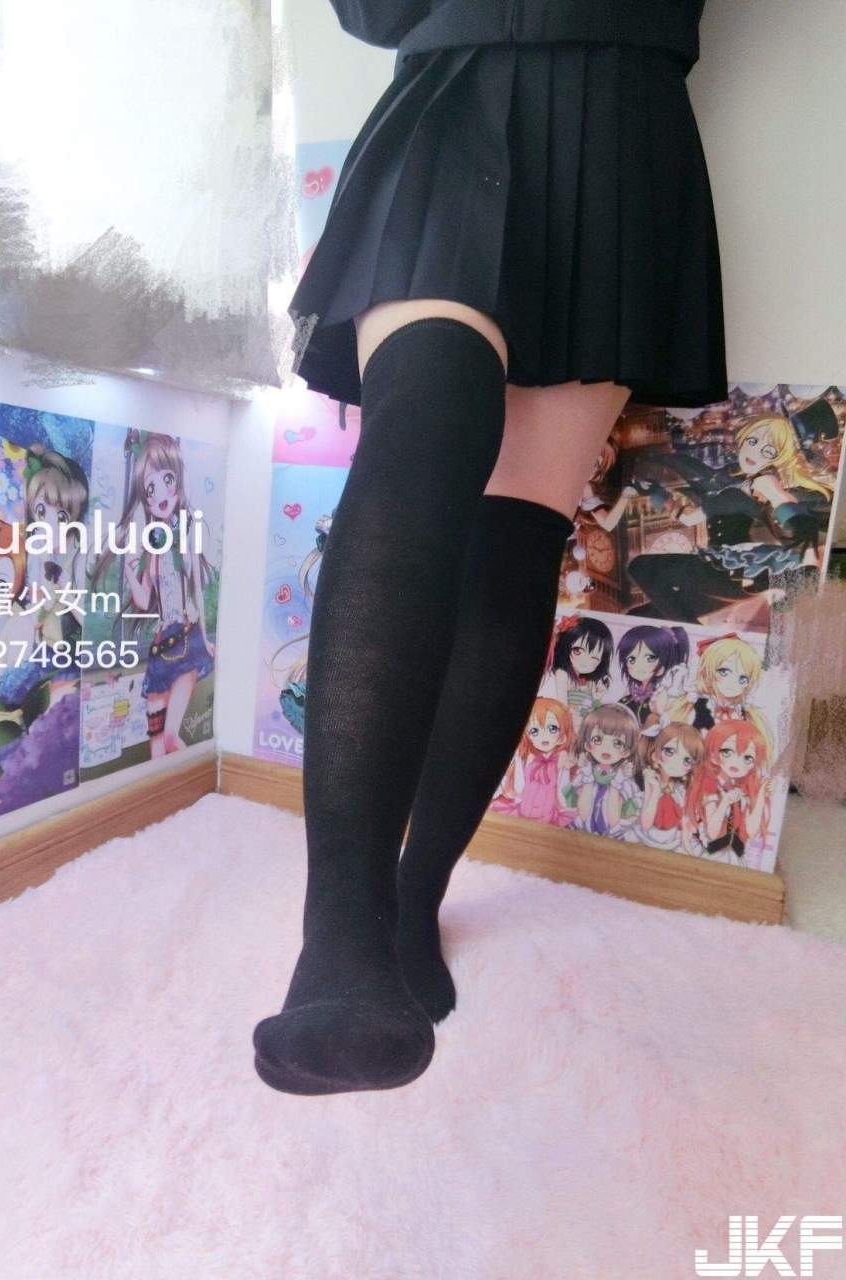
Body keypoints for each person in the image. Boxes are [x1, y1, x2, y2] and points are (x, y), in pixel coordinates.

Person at [253, 0, 728, 1094]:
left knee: (517, 539)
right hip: (450, 100)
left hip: (618, 113)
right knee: (420, 439)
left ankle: (414, 898)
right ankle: (341, 932)